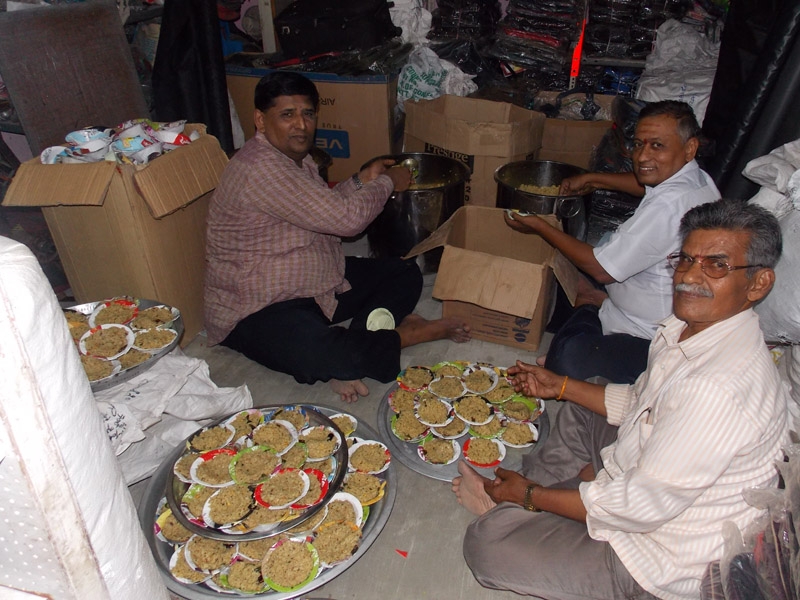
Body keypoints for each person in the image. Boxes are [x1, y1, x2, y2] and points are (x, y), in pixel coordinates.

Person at [453, 199, 788, 599]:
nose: (688, 276)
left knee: (486, 543)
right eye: (686, 259)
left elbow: (637, 508)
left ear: (758, 283)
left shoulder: (716, 390)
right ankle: (535, 500)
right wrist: (559, 387)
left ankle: (519, 504)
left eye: (716, 265)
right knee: (586, 391)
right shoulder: (688, 327)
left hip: (658, 551)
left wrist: (529, 495)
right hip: (647, 478)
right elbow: (641, 402)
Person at [204, 72, 470, 403]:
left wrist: (362, 179)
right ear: (260, 120)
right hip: (259, 305)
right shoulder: (261, 169)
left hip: (313, 280)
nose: (301, 125)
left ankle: (360, 346)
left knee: (403, 272)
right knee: (328, 355)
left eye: (308, 114)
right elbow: (347, 221)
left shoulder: (293, 159)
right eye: (287, 115)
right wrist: (388, 182)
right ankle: (405, 336)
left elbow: (326, 207)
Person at [505, 100, 720, 383]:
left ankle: (590, 308)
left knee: (566, 358)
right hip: (636, 301)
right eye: (639, 144)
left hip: (650, 334)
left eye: (657, 146)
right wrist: (594, 179)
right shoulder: (694, 178)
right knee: (551, 289)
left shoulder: (668, 208)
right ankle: (593, 306)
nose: (642, 156)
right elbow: (646, 184)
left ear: (690, 148)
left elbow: (601, 270)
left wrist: (541, 226)